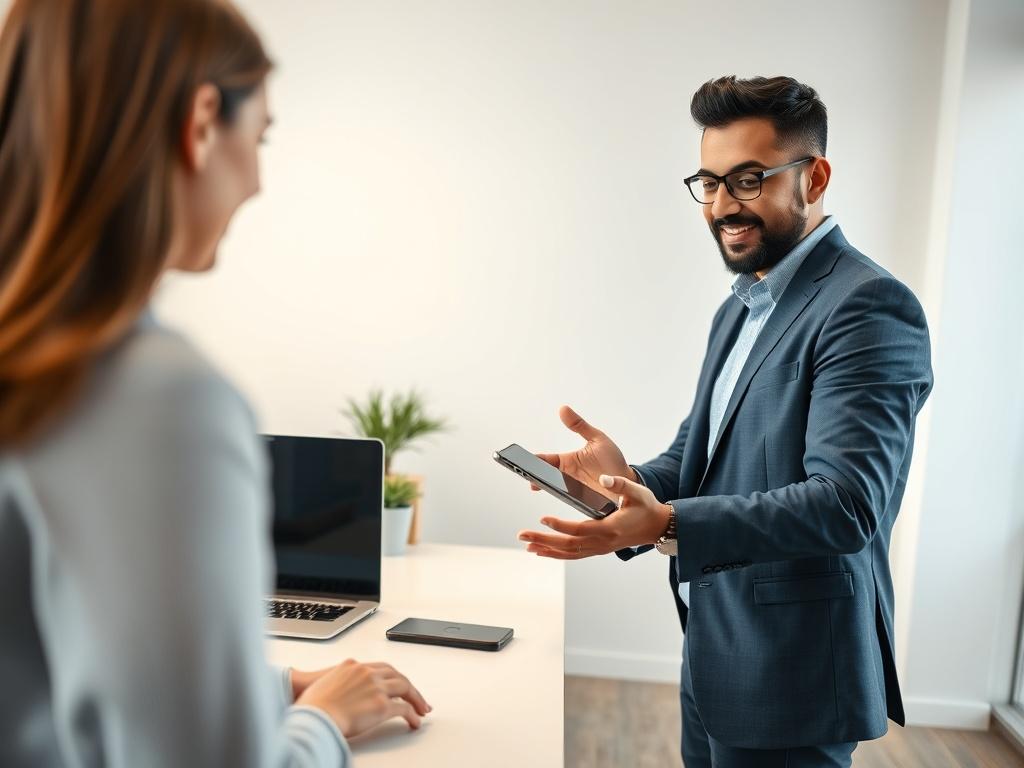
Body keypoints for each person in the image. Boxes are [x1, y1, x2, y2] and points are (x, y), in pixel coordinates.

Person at [0, 1, 429, 765]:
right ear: (200, 122)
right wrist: (323, 725)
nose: (259, 181)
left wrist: (274, 686)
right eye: (258, 136)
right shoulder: (159, 398)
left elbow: (37, 673)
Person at [517, 76, 933, 767]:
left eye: (746, 180)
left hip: (795, 670)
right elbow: (698, 461)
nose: (721, 206)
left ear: (814, 177)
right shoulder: (741, 307)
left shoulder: (868, 307)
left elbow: (846, 505)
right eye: (707, 183)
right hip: (716, 645)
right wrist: (613, 486)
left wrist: (669, 523)